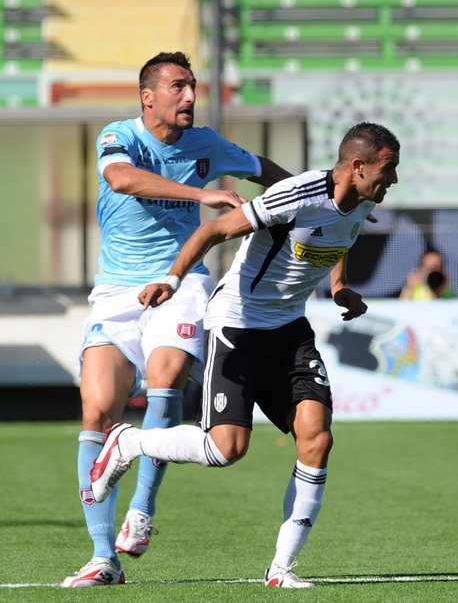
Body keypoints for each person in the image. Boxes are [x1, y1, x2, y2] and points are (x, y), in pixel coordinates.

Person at [89, 122, 400, 588]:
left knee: (317, 438)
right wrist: (171, 281)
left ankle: (281, 569)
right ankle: (130, 443)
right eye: (388, 168)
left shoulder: (364, 198)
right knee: (225, 449)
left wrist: (339, 286)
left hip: (290, 330)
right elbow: (215, 229)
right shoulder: (297, 194)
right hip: (237, 324)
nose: (393, 178)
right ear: (357, 166)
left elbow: (341, 234)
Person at [62, 51, 291, 587]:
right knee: (96, 413)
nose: (190, 96)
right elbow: (121, 179)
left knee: (165, 379)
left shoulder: (207, 143)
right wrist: (201, 193)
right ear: (148, 97)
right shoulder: (119, 136)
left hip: (180, 281)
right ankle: (103, 557)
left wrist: (327, 196)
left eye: (193, 86)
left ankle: (141, 511)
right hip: (116, 293)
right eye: (178, 86)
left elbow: (266, 171)